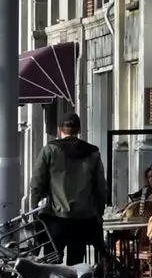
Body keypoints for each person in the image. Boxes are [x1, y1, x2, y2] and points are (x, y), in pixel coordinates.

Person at [28, 109, 109, 263]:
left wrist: (35, 212)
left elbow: (37, 183)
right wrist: (99, 212)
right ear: (79, 130)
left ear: (59, 130)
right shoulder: (92, 152)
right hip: (82, 218)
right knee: (77, 267)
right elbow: (100, 187)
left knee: (52, 267)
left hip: (55, 218)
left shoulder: (50, 150)